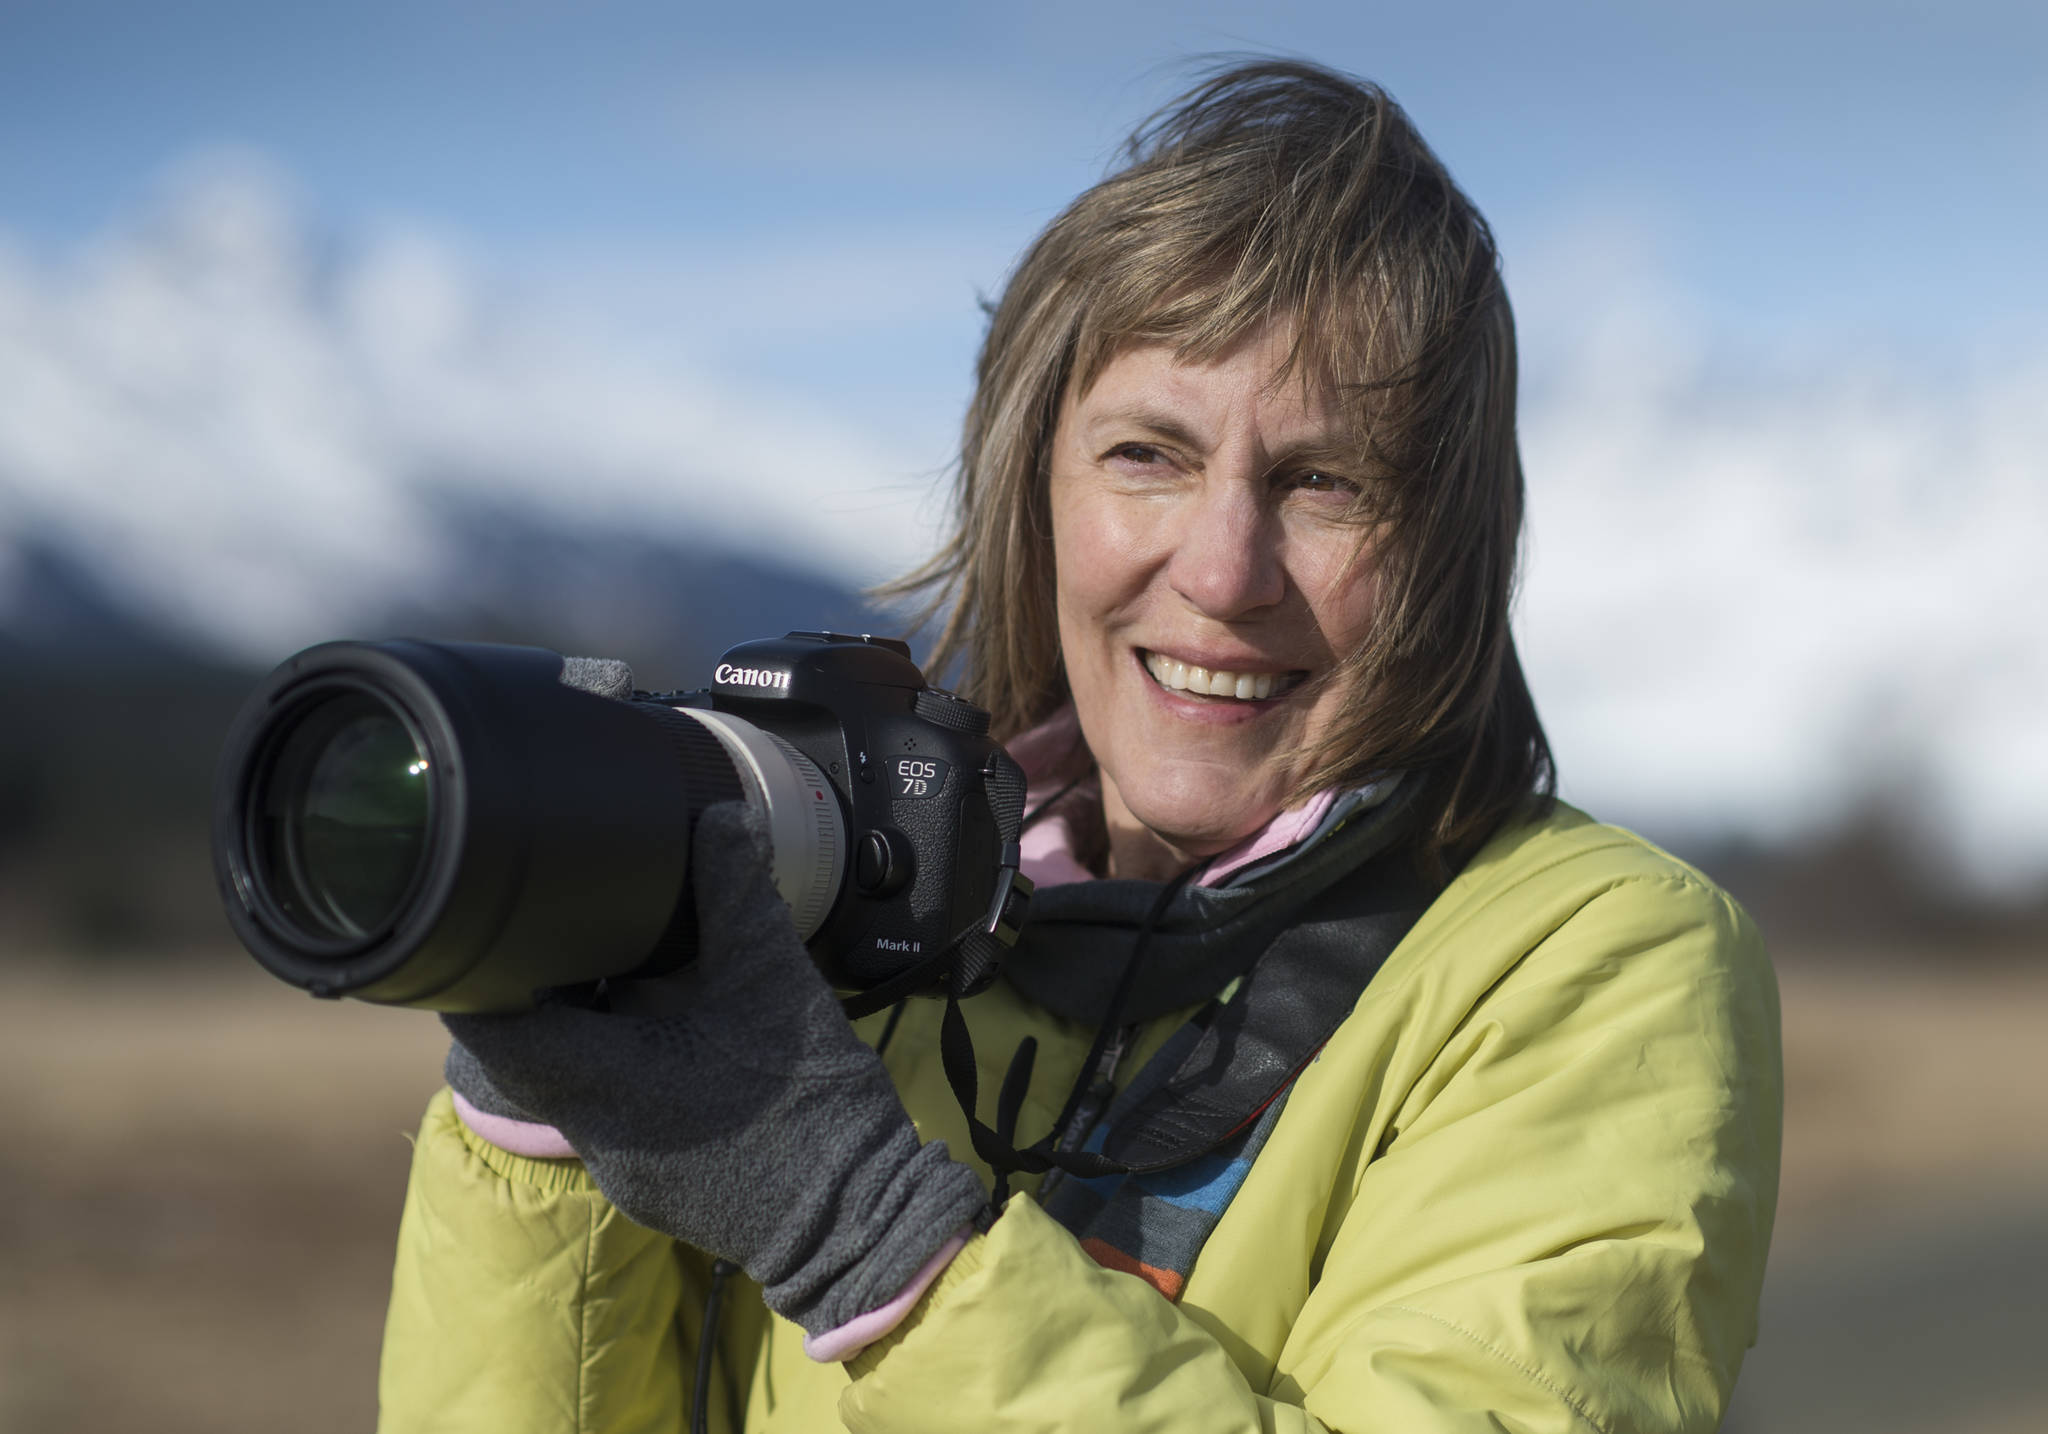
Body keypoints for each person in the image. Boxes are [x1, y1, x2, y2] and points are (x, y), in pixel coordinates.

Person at [379, 60, 1781, 1433]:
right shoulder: (868, 933)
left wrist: (874, 1243)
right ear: (1031, 492)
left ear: (1448, 555)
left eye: (1325, 481)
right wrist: (539, 1123)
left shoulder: (1597, 964)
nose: (1225, 570)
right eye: (1147, 456)